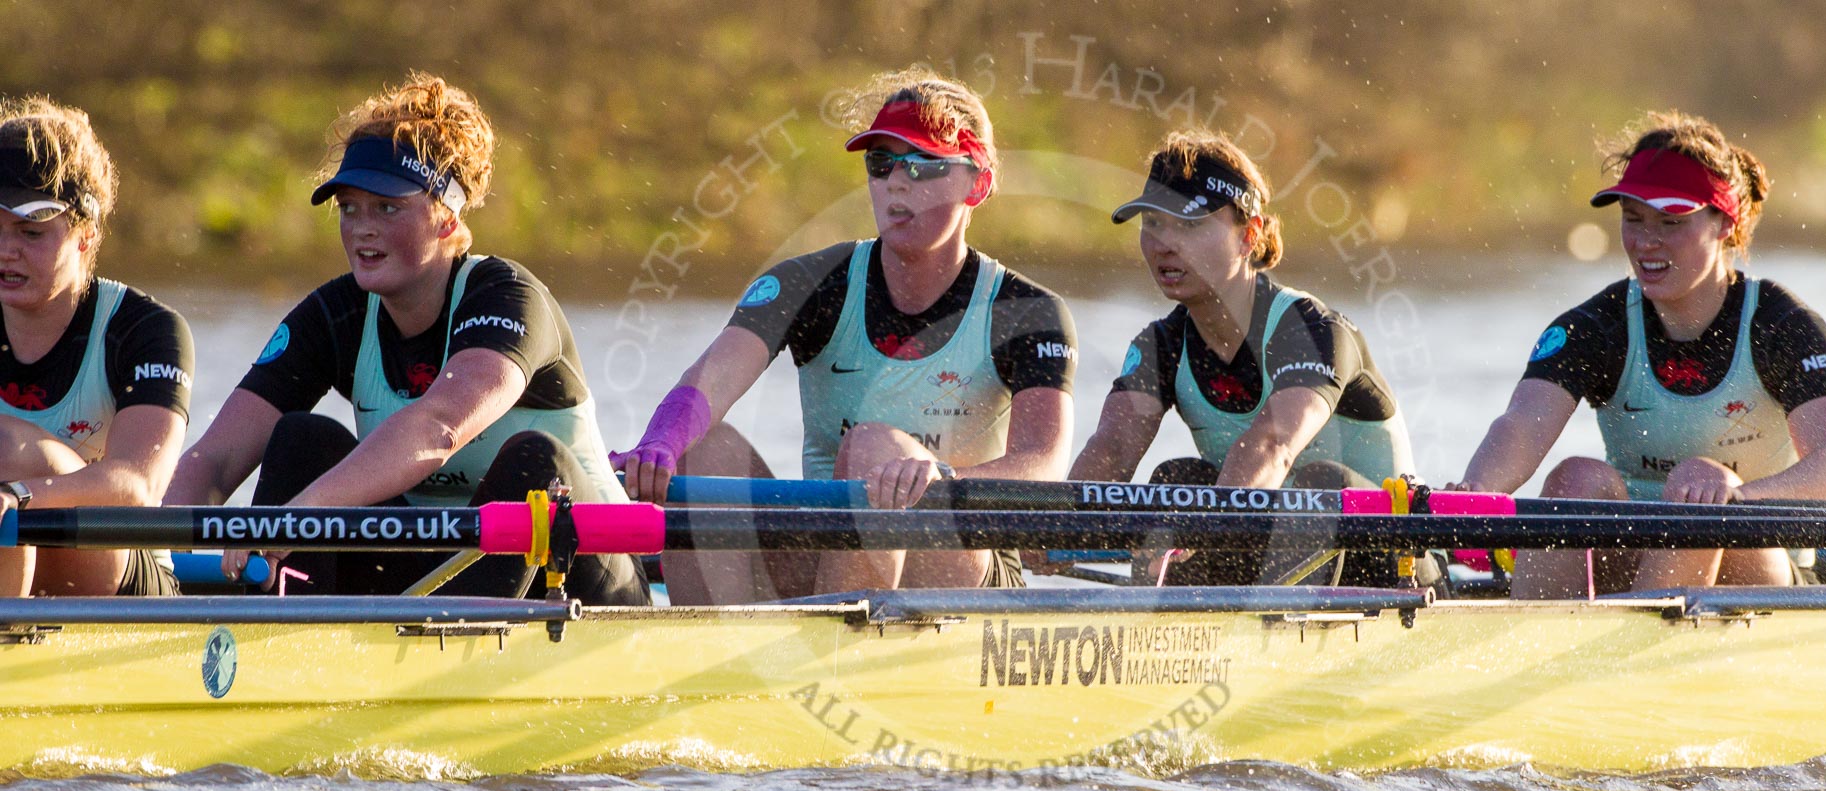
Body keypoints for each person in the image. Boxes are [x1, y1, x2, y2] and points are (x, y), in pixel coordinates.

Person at [166, 73, 649, 604]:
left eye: (387, 208)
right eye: (349, 208)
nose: (360, 228)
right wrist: (140, 559)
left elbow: (438, 429)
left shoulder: (509, 298)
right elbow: (212, 462)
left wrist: (298, 516)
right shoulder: (336, 314)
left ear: (447, 219)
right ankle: (279, 645)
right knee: (302, 440)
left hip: (589, 580)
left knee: (533, 461)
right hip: (434, 577)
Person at [611, 67, 1076, 602]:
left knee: (872, 446)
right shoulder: (812, 284)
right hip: (827, 551)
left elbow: (1044, 465)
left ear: (978, 181)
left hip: (961, 559)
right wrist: (658, 446)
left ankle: (836, 660)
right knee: (700, 450)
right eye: (881, 165)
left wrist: (939, 477)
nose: (896, 183)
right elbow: (711, 378)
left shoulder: (1027, 311)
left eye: (923, 166)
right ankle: (721, 667)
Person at [1453, 111, 1826, 598]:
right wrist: (1472, 493)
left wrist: (1735, 494)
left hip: (1759, 562)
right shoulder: (1597, 326)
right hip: (1636, 554)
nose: (1647, 241)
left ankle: (1633, 651)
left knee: (1697, 482)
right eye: (1634, 219)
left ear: (1725, 224)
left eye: (1670, 222)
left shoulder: (1783, 327)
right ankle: (1528, 654)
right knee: (1574, 479)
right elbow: (1521, 426)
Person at [1064, 129, 1415, 586]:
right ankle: (1161, 637)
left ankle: (1275, 638)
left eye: (1189, 225)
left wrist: (1204, 526)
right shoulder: (1159, 346)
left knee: (1319, 484)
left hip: (1388, 561)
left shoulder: (1311, 330)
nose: (1163, 244)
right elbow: (1110, 450)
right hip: (1270, 556)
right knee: (1177, 483)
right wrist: (1061, 527)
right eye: (1152, 223)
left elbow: (1273, 445)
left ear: (1249, 235)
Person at [0, 95, 193, 597]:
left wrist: (16, 496)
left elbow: (136, 487)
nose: (5, 251)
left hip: (124, 576)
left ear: (84, 235)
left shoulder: (147, 331)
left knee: (10, 451)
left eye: (30, 231)